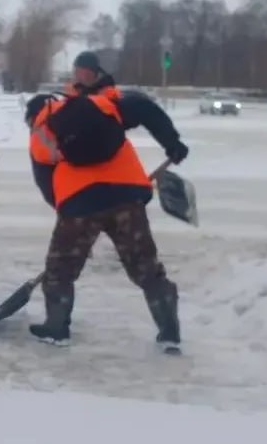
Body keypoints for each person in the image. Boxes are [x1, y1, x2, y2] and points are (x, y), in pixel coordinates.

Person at [24, 84, 189, 351]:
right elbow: (145, 107)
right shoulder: (98, 106)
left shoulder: (40, 131)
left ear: (32, 116)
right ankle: (169, 329)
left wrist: (73, 230)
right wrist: (171, 142)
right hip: (128, 195)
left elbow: (47, 186)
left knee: (60, 269)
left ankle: (57, 327)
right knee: (146, 266)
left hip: (79, 203)